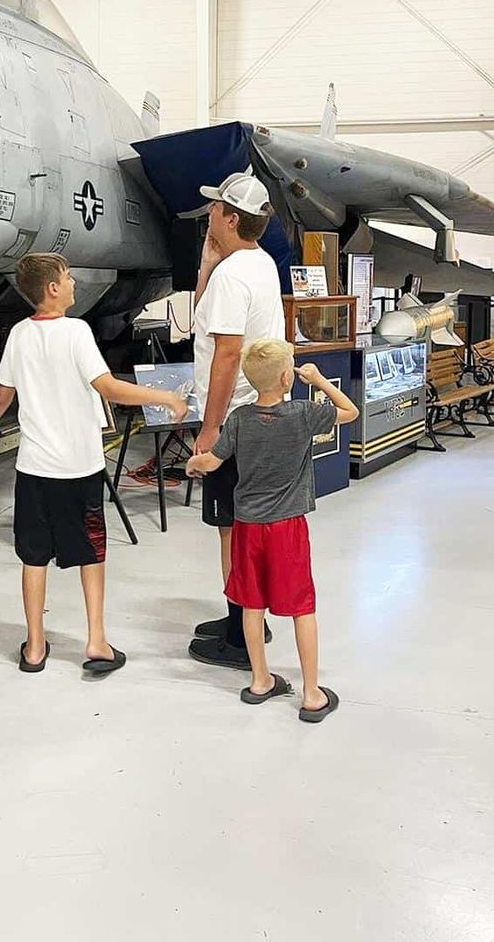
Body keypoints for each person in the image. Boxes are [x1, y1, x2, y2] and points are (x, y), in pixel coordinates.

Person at [0, 253, 187, 675]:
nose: (73, 283)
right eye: (68, 277)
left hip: (35, 469)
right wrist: (165, 397)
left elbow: (2, 394)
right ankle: (95, 640)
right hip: (80, 469)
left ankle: (34, 646)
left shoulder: (19, 334)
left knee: (33, 557)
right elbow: (107, 387)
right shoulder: (76, 332)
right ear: (53, 288)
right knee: (92, 552)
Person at [186, 340, 358, 721]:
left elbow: (213, 461)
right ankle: (312, 693)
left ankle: (260, 679)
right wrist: (317, 381)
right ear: (287, 377)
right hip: (287, 528)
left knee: (252, 603)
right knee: (301, 606)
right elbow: (350, 411)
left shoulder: (240, 419)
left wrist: (194, 462)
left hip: (247, 526)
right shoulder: (303, 414)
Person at [188, 169, 285, 670]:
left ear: (229, 217)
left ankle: (239, 640)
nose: (207, 214)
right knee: (240, 526)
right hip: (256, 416)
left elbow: (225, 355)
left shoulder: (232, 276)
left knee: (231, 528)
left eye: (214, 208)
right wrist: (208, 263)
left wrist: (210, 431)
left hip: (232, 423)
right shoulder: (259, 263)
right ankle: (245, 618)